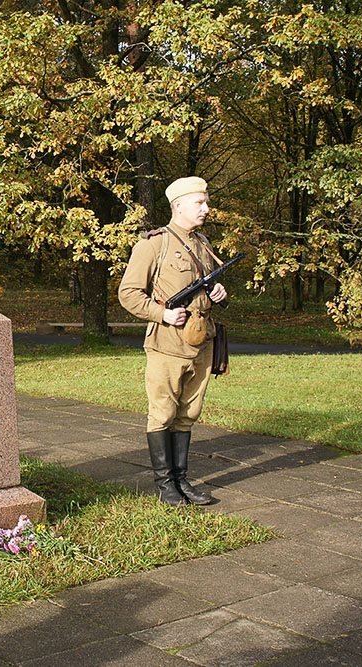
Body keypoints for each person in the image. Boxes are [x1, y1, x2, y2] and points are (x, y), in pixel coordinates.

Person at [117, 176, 227, 506]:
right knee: (163, 414)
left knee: (188, 413)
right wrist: (162, 314)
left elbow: (206, 288)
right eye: (200, 203)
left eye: (206, 202)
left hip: (201, 341)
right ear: (178, 205)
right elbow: (128, 294)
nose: (206, 208)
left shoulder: (202, 244)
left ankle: (182, 480)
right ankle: (165, 485)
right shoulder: (154, 244)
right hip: (167, 343)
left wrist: (218, 292)